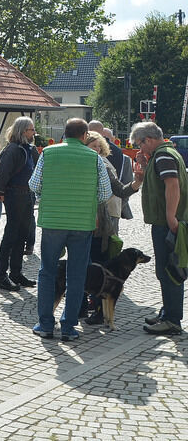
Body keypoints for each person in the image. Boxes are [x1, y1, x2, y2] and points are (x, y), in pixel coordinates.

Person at [29, 118, 112, 341]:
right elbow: (105, 193)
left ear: (64, 134)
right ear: (85, 136)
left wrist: (47, 197)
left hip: (53, 221)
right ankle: (68, 327)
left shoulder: (48, 153)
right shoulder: (94, 158)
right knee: (76, 275)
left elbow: (34, 184)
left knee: (47, 271)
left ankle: (45, 324)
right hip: (81, 224)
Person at [131, 121, 188, 335]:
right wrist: (144, 165)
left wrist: (170, 216)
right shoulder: (164, 154)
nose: (139, 148)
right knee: (165, 270)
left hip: (167, 224)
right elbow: (158, 181)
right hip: (165, 222)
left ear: (149, 139)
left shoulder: (163, 155)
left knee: (171, 271)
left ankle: (172, 321)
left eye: (140, 143)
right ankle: (168, 313)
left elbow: (172, 184)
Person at [83, 131, 141, 324]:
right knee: (83, 264)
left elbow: (120, 190)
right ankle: (82, 306)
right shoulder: (80, 163)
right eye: (93, 146)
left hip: (100, 224)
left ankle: (99, 310)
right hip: (81, 222)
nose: (97, 149)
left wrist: (137, 182)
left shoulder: (104, 165)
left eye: (98, 146)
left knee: (99, 266)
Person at [0, 117, 38, 291]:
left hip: (27, 193)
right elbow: (3, 172)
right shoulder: (13, 149)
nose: (34, 133)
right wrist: (0, 191)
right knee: (11, 234)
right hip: (15, 193)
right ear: (23, 131)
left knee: (22, 234)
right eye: (31, 130)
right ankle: (1, 275)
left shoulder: (29, 149)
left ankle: (15, 273)